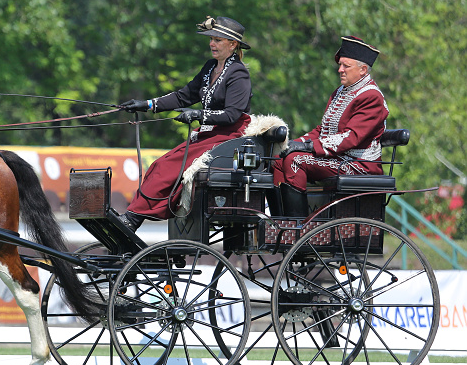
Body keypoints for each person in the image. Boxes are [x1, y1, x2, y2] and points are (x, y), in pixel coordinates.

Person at [118, 15, 253, 230]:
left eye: (217, 40)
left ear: (232, 44)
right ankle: (134, 216)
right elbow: (183, 96)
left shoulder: (239, 73)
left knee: (166, 167)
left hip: (229, 138)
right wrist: (147, 104)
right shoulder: (210, 67)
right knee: (158, 165)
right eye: (211, 39)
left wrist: (198, 115)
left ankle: (133, 219)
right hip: (209, 134)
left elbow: (232, 115)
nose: (211, 44)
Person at [271, 36, 388, 217]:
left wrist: (308, 147)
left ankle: (299, 228)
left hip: (358, 165)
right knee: (278, 159)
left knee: (296, 160)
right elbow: (323, 130)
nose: (340, 70)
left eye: (346, 66)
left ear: (363, 70)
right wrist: (293, 143)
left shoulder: (371, 96)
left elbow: (351, 137)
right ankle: (280, 223)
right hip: (337, 159)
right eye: (340, 65)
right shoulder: (341, 91)